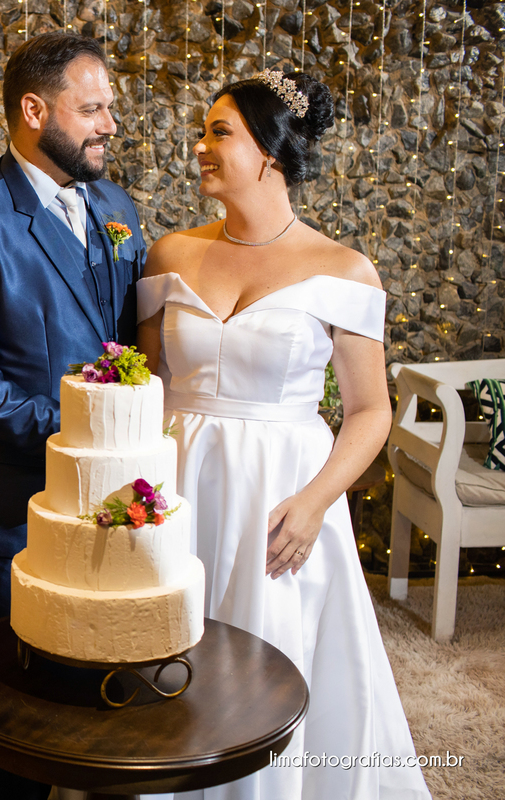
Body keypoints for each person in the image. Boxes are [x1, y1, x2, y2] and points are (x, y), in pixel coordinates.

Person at [136, 71, 431, 799]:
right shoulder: (170, 254)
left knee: (268, 666)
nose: (200, 146)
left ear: (270, 151)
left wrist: (315, 503)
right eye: (203, 131)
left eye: (219, 132)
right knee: (168, 662)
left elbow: (369, 411)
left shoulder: (343, 269)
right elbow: (141, 385)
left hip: (283, 497)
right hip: (177, 488)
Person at [0, 31, 145, 800]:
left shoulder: (116, 205)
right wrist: (73, 429)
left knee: (104, 690)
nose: (110, 123)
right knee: (15, 710)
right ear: (33, 109)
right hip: (10, 508)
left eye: (110, 106)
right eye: (93, 108)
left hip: (110, 504)